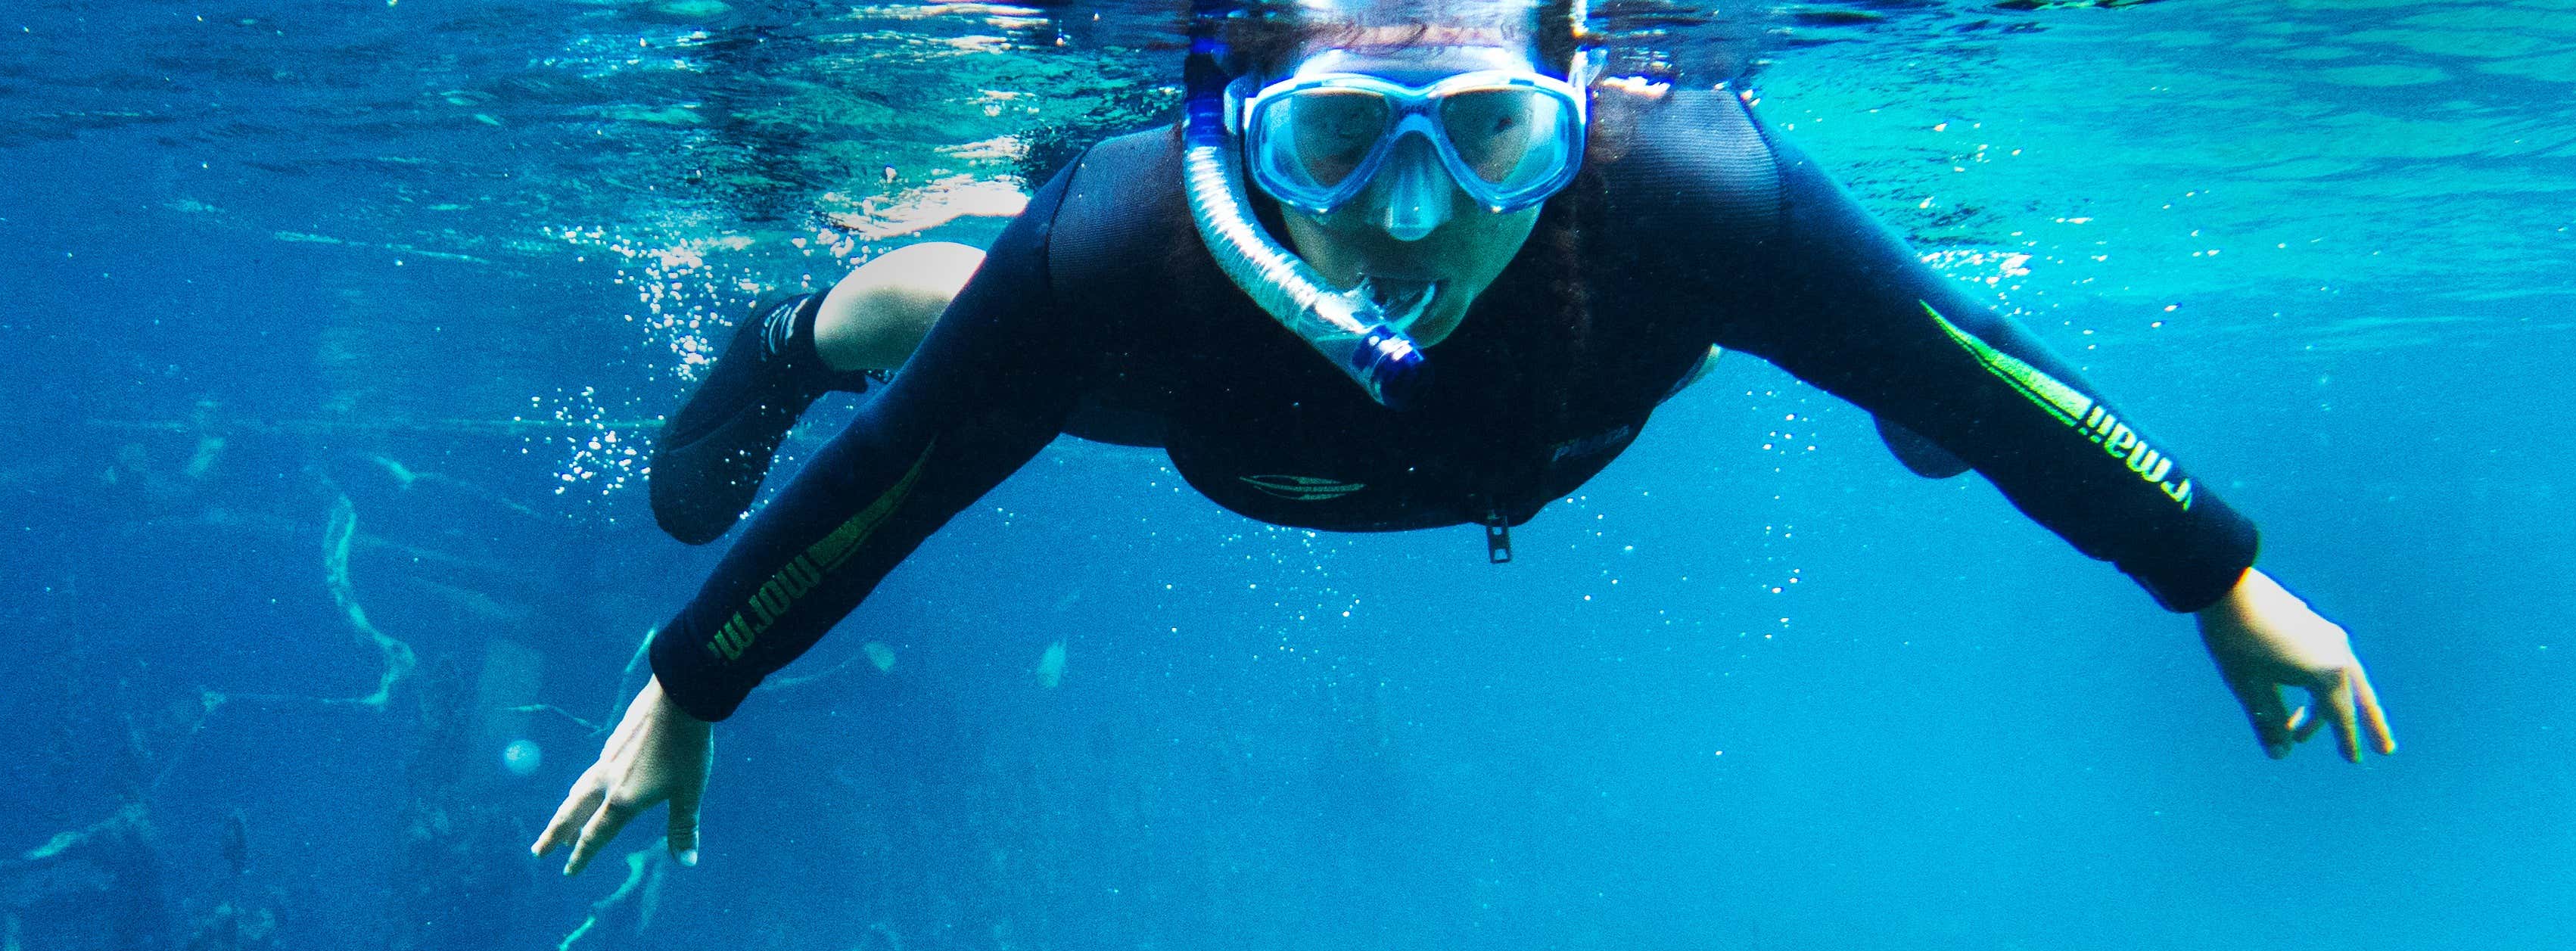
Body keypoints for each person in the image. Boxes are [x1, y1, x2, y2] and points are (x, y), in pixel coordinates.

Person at [534, 0, 2396, 876]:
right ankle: (807, 326)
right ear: (1237, 120)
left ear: (1575, 99)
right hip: (1222, 407)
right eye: (1341, 141)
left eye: (1491, 137)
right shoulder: (1130, 241)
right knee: (960, 336)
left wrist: (2220, 575)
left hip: (1587, 396)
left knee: (1880, 339)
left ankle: (1849, 358)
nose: (1413, 222)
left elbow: (1996, 370)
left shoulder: (1690, 192)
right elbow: (899, 479)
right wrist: (696, 680)